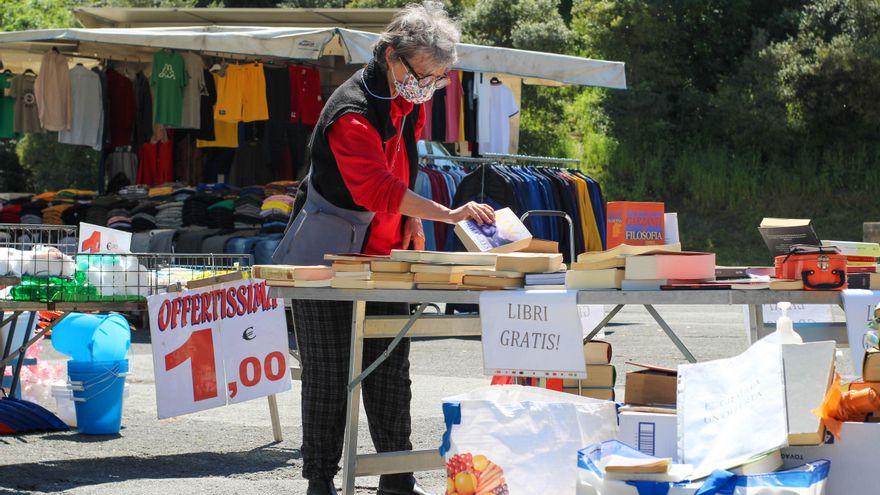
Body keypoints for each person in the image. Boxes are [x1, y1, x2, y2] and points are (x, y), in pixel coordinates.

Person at [271, 3, 495, 495]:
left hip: (385, 255)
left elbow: (403, 169)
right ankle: (320, 481)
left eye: (440, 78)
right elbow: (377, 188)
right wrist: (448, 213)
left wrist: (413, 216)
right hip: (325, 256)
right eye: (427, 75)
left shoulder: (407, 96)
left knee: (391, 368)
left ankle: (397, 477)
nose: (431, 86)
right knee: (330, 374)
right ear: (393, 58)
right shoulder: (349, 112)